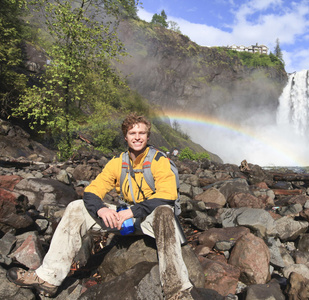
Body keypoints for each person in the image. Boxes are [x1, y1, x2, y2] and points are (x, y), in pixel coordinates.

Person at [7, 113, 198, 299]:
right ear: (126, 137)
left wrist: (132, 212)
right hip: (125, 220)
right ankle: (48, 278)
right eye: (133, 133)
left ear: (148, 136)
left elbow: (167, 195)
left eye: (142, 133)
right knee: (76, 207)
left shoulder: (159, 161)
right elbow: (92, 191)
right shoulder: (117, 163)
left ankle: (177, 292)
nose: (137, 137)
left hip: (150, 219)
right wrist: (101, 209)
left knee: (164, 211)